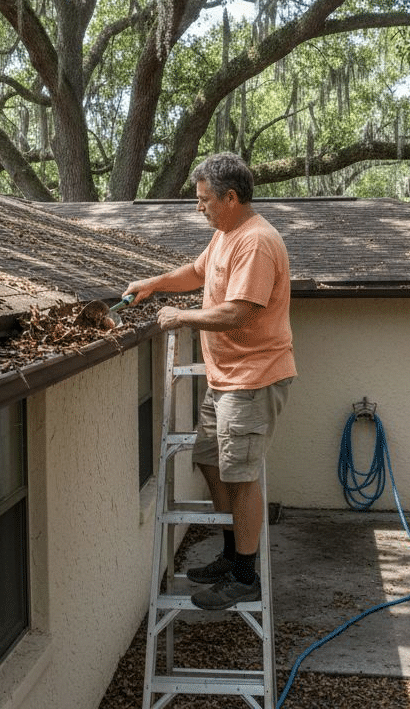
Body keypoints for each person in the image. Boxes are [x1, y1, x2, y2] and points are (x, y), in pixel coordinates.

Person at [124, 152, 295, 610]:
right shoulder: (225, 235)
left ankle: (245, 575)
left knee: (240, 477)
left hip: (252, 379)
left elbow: (240, 311)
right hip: (226, 379)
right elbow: (198, 273)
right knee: (209, 461)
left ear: (230, 198)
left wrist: (181, 316)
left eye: (204, 200)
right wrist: (155, 283)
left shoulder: (256, 242)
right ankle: (231, 555)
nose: (198, 207)